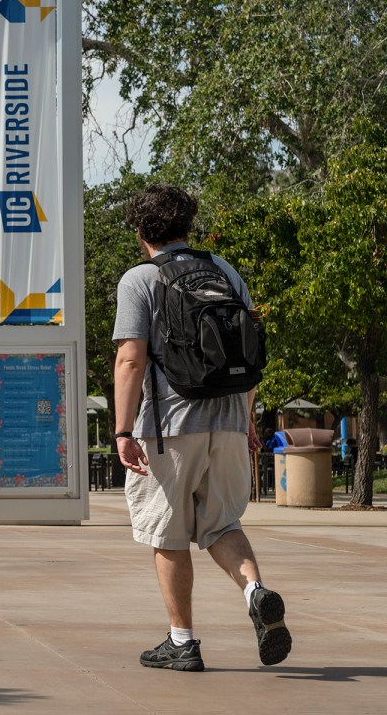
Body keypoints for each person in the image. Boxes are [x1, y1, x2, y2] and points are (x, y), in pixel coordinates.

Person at [112, 182, 291, 672]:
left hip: (171, 425)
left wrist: (123, 431)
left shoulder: (140, 279)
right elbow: (249, 352)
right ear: (188, 225)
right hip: (230, 420)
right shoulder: (225, 271)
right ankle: (256, 591)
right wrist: (249, 420)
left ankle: (182, 642)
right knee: (222, 523)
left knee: (167, 534)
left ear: (141, 230)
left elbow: (130, 359)